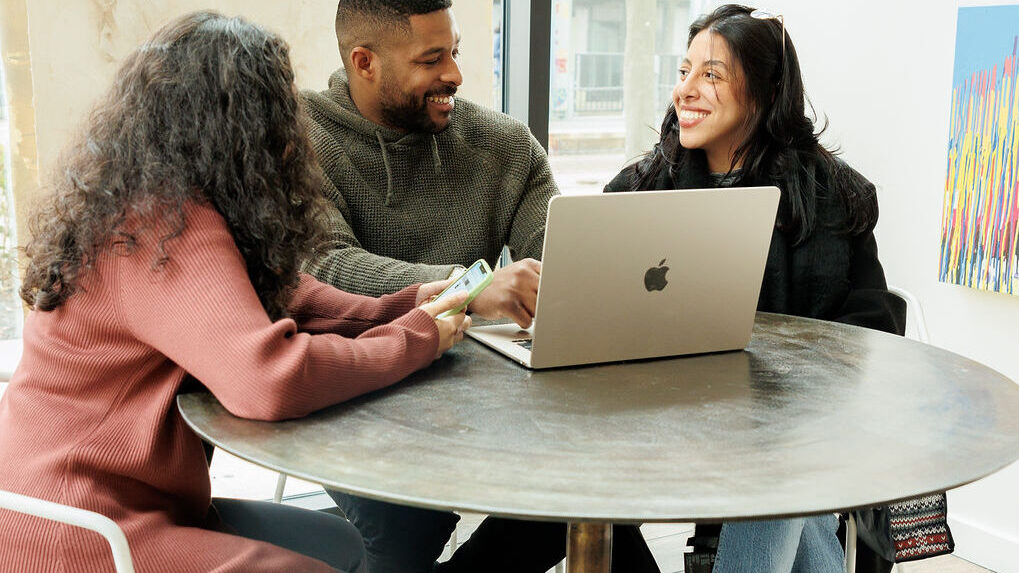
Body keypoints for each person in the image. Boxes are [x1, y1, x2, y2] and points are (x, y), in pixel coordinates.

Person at [0, 11, 472, 573]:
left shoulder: (151, 200)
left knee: (343, 545)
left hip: (86, 502)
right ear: (245, 125)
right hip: (81, 530)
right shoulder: (160, 225)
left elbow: (297, 296)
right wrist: (413, 341)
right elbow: (269, 380)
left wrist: (403, 306)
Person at [301, 1, 660, 572]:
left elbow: (560, 249)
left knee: (602, 488)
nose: (456, 75)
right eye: (431, 59)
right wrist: (470, 287)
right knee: (406, 532)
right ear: (364, 62)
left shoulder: (503, 149)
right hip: (353, 394)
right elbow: (324, 269)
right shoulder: (301, 140)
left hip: (477, 395)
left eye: (456, 52)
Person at [603, 5, 906, 573]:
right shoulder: (637, 191)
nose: (685, 91)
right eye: (683, 71)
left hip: (787, 433)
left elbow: (872, 334)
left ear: (765, 93)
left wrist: (781, 393)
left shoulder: (834, 198)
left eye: (711, 75)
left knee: (777, 456)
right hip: (657, 426)